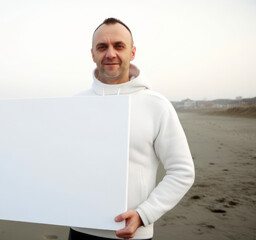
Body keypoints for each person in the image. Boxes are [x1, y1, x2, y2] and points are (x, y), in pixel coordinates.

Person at [68, 18, 195, 240]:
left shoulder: (156, 105)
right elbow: (55, 165)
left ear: (132, 52)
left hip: (133, 234)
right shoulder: (74, 104)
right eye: (102, 47)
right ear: (92, 54)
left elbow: (182, 171)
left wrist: (144, 214)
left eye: (119, 46)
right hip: (79, 231)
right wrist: (5, 198)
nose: (110, 54)